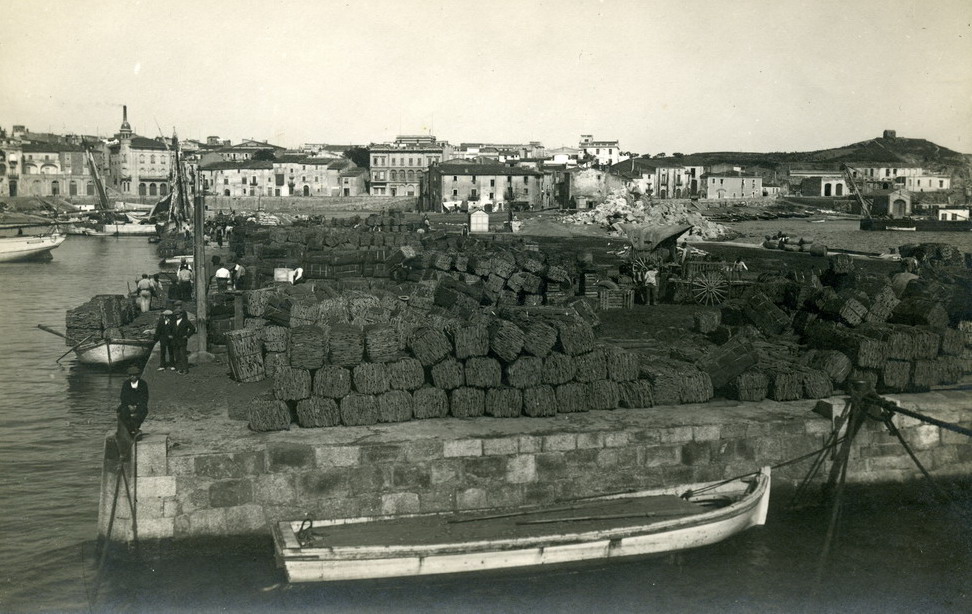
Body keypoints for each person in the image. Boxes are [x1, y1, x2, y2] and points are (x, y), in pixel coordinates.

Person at [117, 365, 149, 441]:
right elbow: (123, 397)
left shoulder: (143, 384)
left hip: (138, 404)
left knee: (144, 410)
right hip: (128, 405)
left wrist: (137, 406)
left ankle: (135, 427)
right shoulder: (126, 384)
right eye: (131, 375)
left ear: (138, 375)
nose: (133, 377)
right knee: (122, 411)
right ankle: (131, 429)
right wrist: (129, 405)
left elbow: (145, 397)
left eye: (134, 375)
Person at [170, 304, 196, 374]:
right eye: (175, 314)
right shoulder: (173, 322)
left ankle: (185, 369)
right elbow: (170, 330)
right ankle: (179, 369)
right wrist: (170, 335)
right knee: (177, 356)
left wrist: (187, 335)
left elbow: (192, 329)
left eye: (178, 314)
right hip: (175, 341)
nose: (176, 316)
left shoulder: (186, 321)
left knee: (183, 355)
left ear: (181, 314)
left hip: (182, 341)